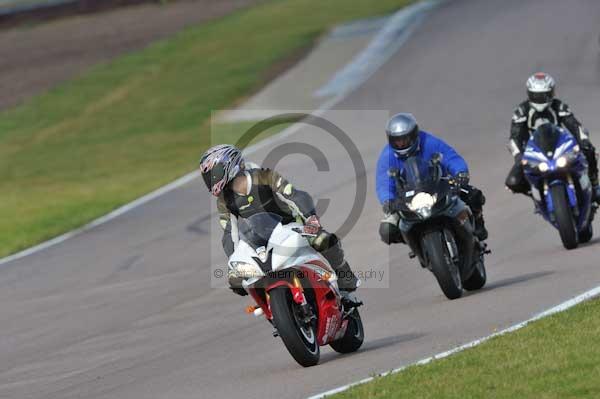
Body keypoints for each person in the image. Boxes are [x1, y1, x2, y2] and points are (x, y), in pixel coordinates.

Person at [200, 144, 358, 296]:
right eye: (207, 177)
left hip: (291, 225)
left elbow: (295, 196)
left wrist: (311, 221)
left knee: (322, 239)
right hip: (260, 238)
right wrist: (233, 264)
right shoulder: (224, 200)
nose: (211, 180)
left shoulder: (264, 176)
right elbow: (229, 234)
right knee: (239, 279)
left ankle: (344, 273)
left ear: (228, 166)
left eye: (212, 174)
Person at [376, 113, 488, 244]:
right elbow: (383, 182)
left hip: (439, 185)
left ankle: (479, 225)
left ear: (413, 135)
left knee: (474, 196)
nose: (400, 144)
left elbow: (450, 157)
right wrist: (387, 200)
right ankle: (415, 241)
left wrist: (460, 173)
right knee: (387, 231)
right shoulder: (387, 157)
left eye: (404, 139)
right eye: (396, 141)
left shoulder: (429, 142)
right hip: (408, 197)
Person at [505, 72, 600, 200]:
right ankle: (536, 195)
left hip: (560, 145)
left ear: (551, 93)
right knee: (512, 182)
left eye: (545, 95)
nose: (542, 99)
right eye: (537, 96)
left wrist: (583, 140)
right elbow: (514, 137)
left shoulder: (559, 106)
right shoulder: (521, 111)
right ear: (530, 94)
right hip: (534, 150)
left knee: (589, 150)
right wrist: (518, 156)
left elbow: (575, 125)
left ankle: (595, 184)